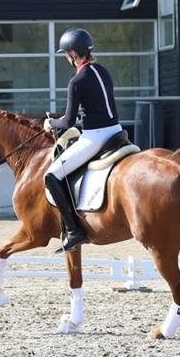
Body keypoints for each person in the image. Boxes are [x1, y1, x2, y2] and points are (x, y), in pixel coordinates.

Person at [42, 28, 122, 254]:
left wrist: (51, 124)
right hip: (115, 131)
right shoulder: (102, 71)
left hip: (95, 137)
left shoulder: (77, 80)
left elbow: (67, 122)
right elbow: (93, 108)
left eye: (66, 54)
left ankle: (74, 230)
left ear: (73, 54)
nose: (66, 58)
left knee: (51, 175)